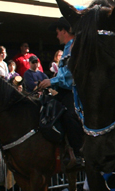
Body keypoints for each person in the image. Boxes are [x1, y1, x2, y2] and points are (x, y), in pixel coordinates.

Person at [36, 18, 86, 169]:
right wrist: (50, 85)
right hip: (63, 90)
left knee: (69, 114)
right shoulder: (67, 48)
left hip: (75, 92)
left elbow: (72, 75)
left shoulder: (75, 47)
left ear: (64, 31)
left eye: (58, 32)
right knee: (45, 104)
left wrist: (52, 82)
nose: (56, 36)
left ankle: (79, 154)